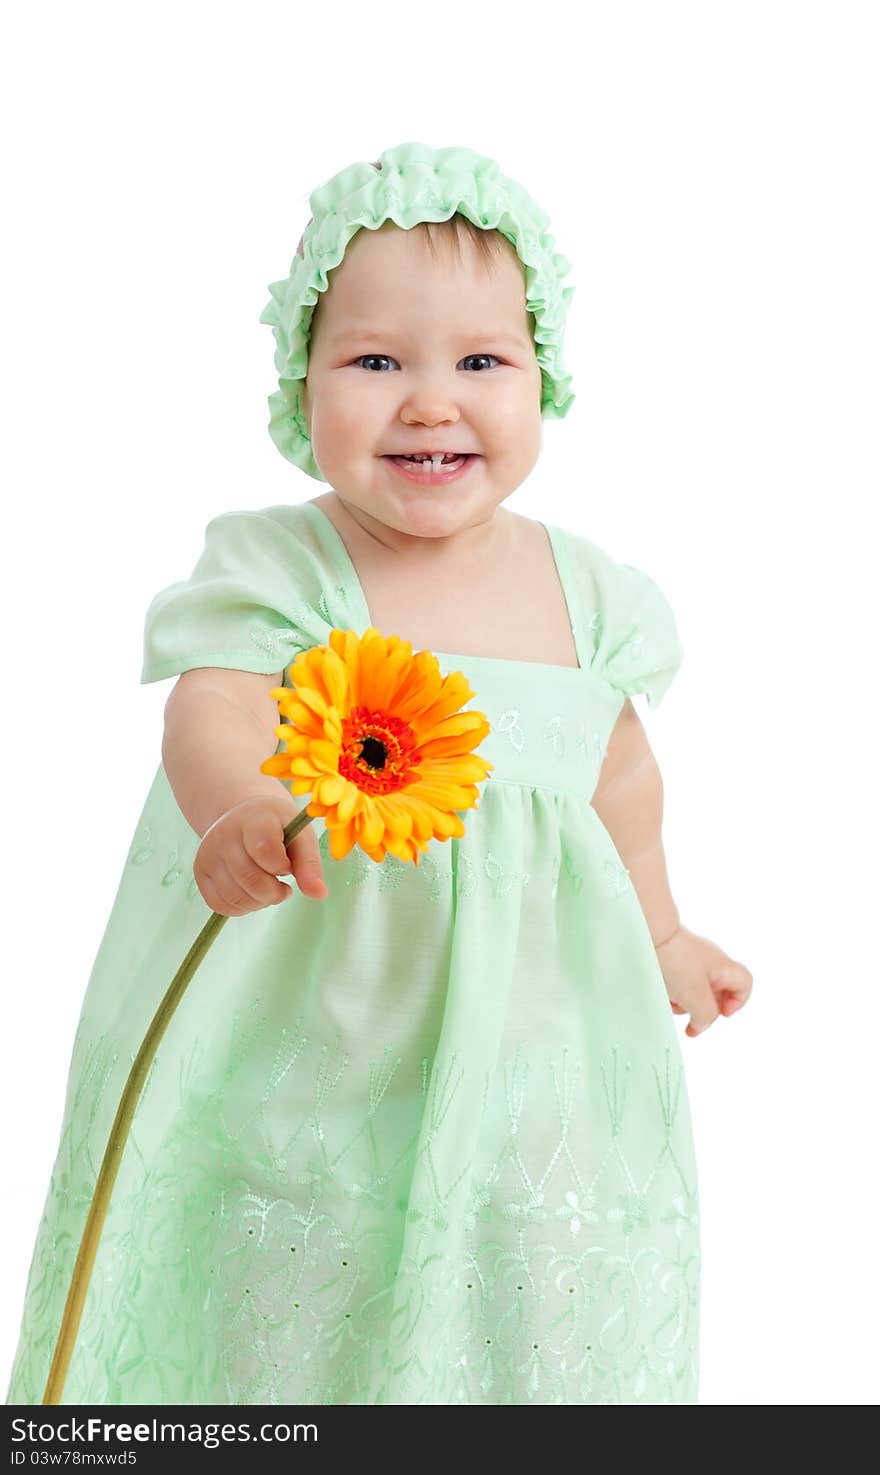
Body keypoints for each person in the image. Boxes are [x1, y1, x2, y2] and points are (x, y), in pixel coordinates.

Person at [6, 141, 752, 1406]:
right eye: (373, 361)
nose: (427, 400)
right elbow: (215, 707)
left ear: (543, 377)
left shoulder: (591, 596)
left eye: (480, 361)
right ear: (301, 384)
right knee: (302, 1287)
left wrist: (664, 928)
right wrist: (239, 805)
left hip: (532, 1058)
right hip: (324, 1042)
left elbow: (616, 778)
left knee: (511, 1291)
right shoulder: (284, 570)